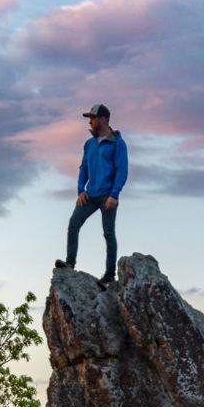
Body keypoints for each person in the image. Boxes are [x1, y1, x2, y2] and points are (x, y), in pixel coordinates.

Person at [55, 103, 129, 286]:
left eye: (93, 118)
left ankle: (109, 275)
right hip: (90, 195)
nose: (90, 121)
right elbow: (84, 168)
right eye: (90, 118)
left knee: (108, 233)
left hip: (107, 196)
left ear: (103, 119)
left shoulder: (117, 143)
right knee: (73, 224)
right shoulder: (89, 144)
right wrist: (81, 190)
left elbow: (122, 170)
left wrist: (114, 194)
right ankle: (70, 263)